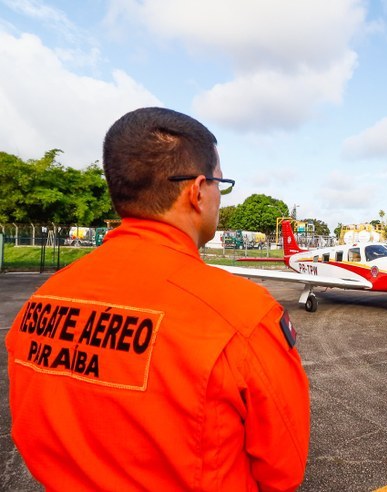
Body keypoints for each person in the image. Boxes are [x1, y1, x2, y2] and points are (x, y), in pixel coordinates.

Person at [5, 107, 310, 491]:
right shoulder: (244, 314)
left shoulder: (40, 302)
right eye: (220, 183)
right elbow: (284, 469)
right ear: (197, 191)